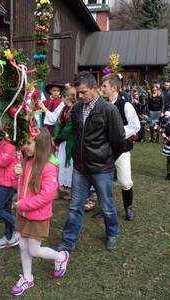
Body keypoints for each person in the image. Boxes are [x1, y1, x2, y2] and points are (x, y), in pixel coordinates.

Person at [58, 71, 126, 252]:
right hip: (80, 168)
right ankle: (68, 240)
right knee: (74, 207)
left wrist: (107, 159)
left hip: (102, 168)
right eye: (77, 93)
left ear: (95, 89)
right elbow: (75, 135)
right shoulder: (77, 109)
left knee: (107, 206)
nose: (79, 96)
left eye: (83, 92)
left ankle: (112, 234)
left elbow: (119, 141)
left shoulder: (109, 110)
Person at [11, 128, 69, 296]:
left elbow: (46, 196)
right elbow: (22, 185)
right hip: (23, 213)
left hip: (37, 216)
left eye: (29, 143)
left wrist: (23, 204)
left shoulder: (49, 167)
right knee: (22, 245)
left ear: (41, 145)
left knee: (34, 250)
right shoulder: (26, 161)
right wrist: (17, 175)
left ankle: (60, 257)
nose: (25, 146)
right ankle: (27, 278)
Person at [101, 74, 140, 221]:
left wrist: (118, 133)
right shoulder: (101, 104)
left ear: (114, 88)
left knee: (125, 181)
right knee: (104, 181)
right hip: (103, 150)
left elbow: (136, 125)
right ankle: (106, 208)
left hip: (121, 149)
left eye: (104, 86)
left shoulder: (125, 105)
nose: (102, 89)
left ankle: (128, 207)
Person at [53, 86, 76, 193]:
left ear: (67, 97)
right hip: (62, 141)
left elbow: (69, 128)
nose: (62, 99)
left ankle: (72, 188)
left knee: (70, 164)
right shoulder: (64, 108)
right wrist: (56, 137)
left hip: (70, 142)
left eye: (63, 97)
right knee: (63, 164)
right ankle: (67, 187)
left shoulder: (74, 109)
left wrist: (57, 139)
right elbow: (58, 123)